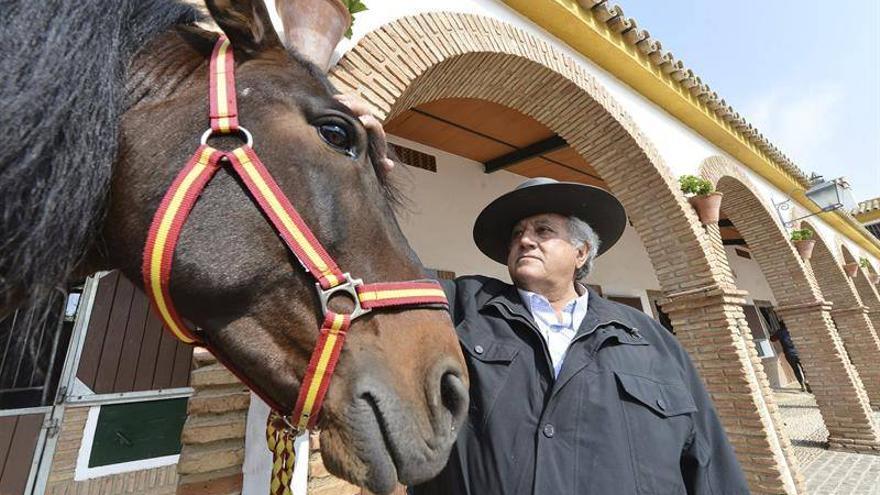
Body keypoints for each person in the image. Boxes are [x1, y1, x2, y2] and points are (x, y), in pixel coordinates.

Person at [336, 96, 748, 494]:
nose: (525, 240)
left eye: (543, 231)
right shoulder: (463, 306)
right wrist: (356, 171)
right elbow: (374, 268)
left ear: (581, 252)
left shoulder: (652, 340)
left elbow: (709, 464)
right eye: (518, 234)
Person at [770, 322, 809, 392]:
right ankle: (807, 380)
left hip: (789, 354)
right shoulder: (792, 329)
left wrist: (773, 332)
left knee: (795, 369)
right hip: (798, 352)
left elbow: (772, 339)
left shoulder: (779, 332)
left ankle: (802, 385)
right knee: (804, 368)